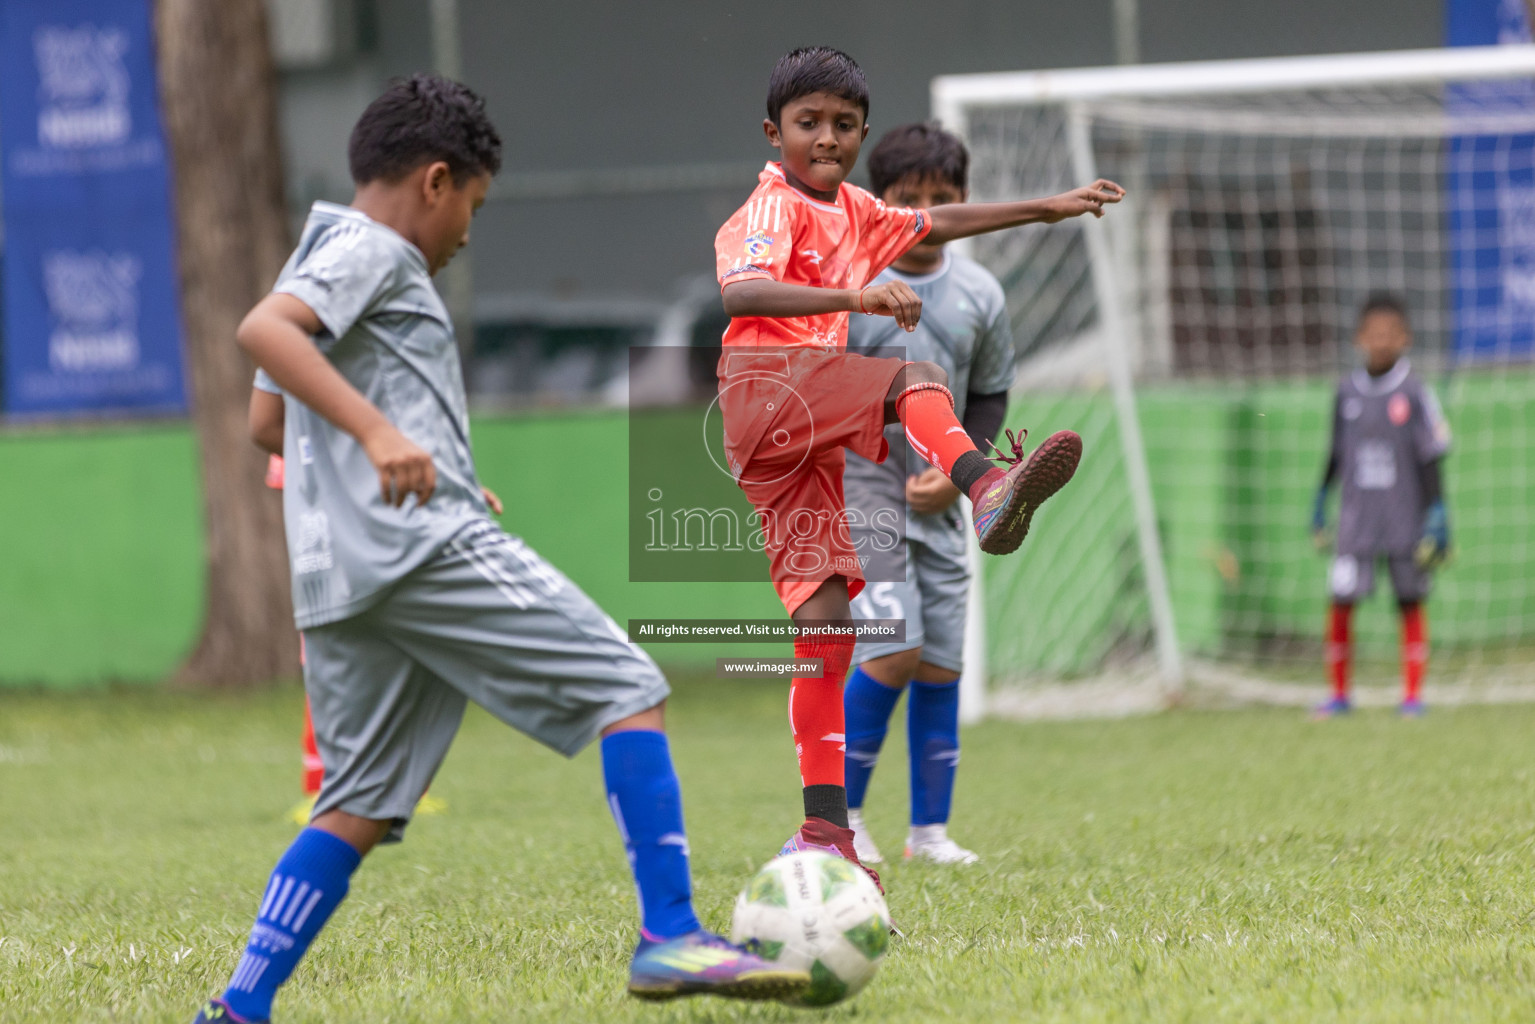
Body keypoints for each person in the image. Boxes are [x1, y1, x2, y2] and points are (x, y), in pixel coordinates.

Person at [190, 74, 806, 1024]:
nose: (468, 234)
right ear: (436, 182)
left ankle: (238, 1008)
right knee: (627, 686)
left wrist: (411, 449)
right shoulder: (376, 250)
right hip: (416, 550)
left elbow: (267, 419)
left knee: (355, 801)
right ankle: (671, 935)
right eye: (471, 206)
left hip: (342, 574)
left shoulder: (316, 247)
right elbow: (260, 334)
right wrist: (382, 439)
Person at [713, 46, 1122, 884]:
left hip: (798, 443)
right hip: (766, 396)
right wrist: (856, 297)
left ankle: (824, 831)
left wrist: (1048, 209)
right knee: (915, 377)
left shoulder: (858, 210)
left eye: (842, 124)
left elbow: (934, 226)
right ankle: (986, 487)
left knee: (824, 625)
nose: (825, 137)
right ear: (773, 132)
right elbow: (742, 295)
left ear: (861, 132)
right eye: (807, 123)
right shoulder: (772, 204)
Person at [838, 123, 1012, 867]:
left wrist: (957, 472)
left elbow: (992, 394)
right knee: (892, 652)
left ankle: (928, 835)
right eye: (910, 201)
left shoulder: (980, 293)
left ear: (964, 201)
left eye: (943, 201)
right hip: (862, 494)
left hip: (940, 504)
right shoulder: (850, 289)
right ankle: (835, 822)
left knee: (940, 662)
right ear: (879, 203)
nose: (928, 216)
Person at [1311, 293, 1451, 718]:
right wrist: (1320, 501)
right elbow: (1335, 453)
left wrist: (1438, 512)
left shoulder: (1414, 392)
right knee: (1340, 600)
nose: (1381, 341)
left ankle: (1412, 695)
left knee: (1409, 599)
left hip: (1403, 517)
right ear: (1358, 338)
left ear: (1405, 338)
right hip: (1356, 520)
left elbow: (1430, 456)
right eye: (1373, 334)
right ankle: (1339, 694)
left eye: (1389, 334)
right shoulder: (1345, 392)